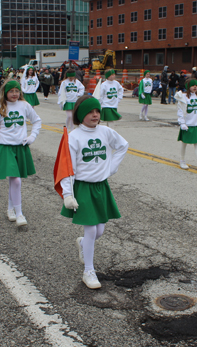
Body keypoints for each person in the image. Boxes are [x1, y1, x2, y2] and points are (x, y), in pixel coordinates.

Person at [60, 95, 128, 289]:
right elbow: (68, 168)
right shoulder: (74, 137)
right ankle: (88, 271)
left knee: (99, 230)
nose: (95, 115)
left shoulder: (106, 132)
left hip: (101, 187)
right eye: (90, 112)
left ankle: (82, 244)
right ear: (81, 114)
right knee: (90, 229)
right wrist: (67, 194)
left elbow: (123, 146)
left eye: (97, 111)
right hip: (82, 187)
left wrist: (111, 168)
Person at [0, 80, 42, 226]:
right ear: (5, 93)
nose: (14, 94)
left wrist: (32, 136)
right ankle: (19, 214)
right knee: (16, 180)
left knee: (14, 181)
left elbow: (37, 121)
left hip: (20, 146)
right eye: (11, 91)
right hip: (5, 146)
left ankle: (10, 209)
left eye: (17, 91)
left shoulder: (25, 105)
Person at [175, 79, 197, 172]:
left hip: (196, 124)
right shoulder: (183, 97)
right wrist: (182, 122)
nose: (195, 87)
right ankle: (182, 161)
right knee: (184, 142)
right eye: (192, 85)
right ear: (188, 87)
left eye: (196, 85)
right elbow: (180, 110)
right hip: (187, 124)